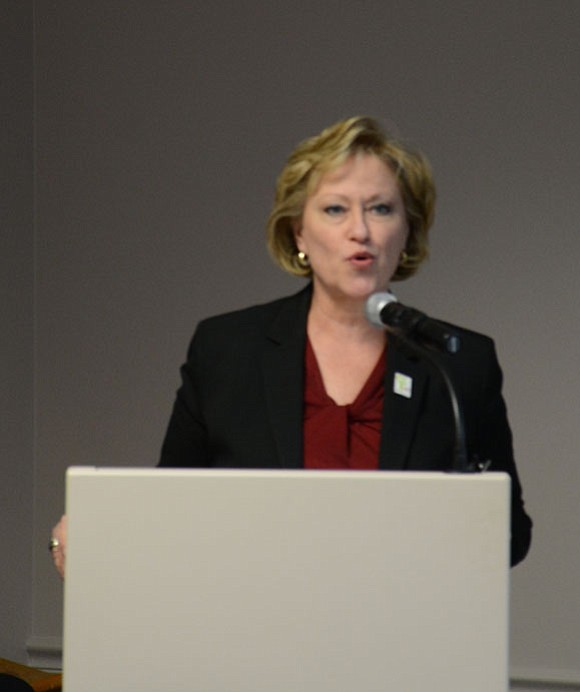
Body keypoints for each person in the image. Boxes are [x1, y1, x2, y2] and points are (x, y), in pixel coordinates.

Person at [51, 116, 531, 575]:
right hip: (252, 632)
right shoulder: (228, 350)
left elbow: (511, 537)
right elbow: (172, 506)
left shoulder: (455, 360)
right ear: (298, 231)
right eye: (335, 209)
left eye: (381, 208)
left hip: (404, 635)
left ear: (406, 231)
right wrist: (97, 531)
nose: (359, 230)